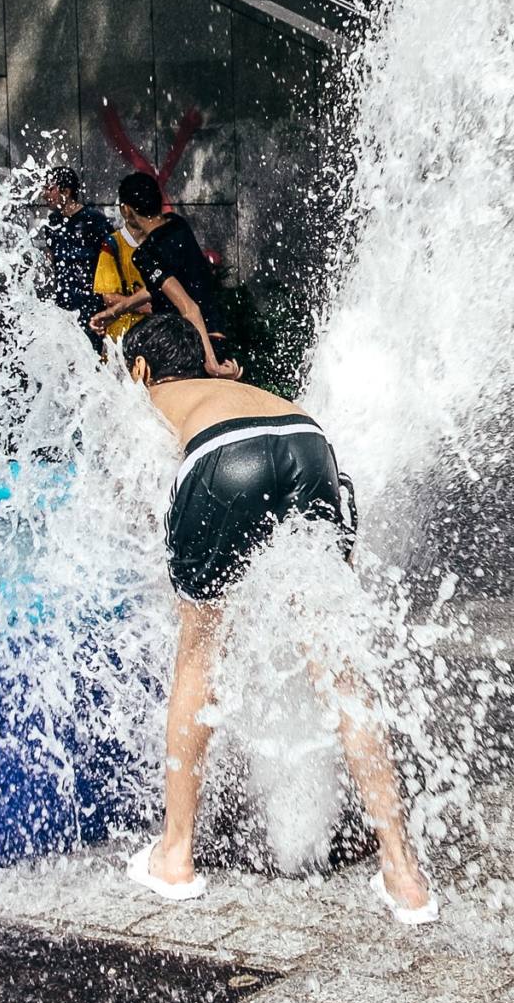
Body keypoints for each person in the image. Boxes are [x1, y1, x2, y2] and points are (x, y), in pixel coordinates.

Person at [117, 314, 436, 923]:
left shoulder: (152, 396)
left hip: (222, 455)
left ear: (141, 369)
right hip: (310, 444)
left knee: (199, 652)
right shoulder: (242, 390)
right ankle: (402, 871)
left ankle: (175, 855)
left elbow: (130, 489)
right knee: (337, 663)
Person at [90, 173, 239, 379]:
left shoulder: (146, 255)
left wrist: (210, 363)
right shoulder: (178, 225)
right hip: (214, 335)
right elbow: (164, 285)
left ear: (126, 210)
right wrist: (116, 310)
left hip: (188, 349)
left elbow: (189, 308)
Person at [40, 166, 117, 344]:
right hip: (64, 305)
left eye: (49, 188)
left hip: (92, 305)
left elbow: (112, 259)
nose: (44, 194)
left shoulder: (94, 221)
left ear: (66, 191)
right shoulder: (53, 223)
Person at [93, 200, 152, 347]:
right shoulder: (113, 244)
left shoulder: (159, 241)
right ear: (124, 210)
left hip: (155, 332)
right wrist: (145, 306)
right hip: (123, 332)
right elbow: (109, 297)